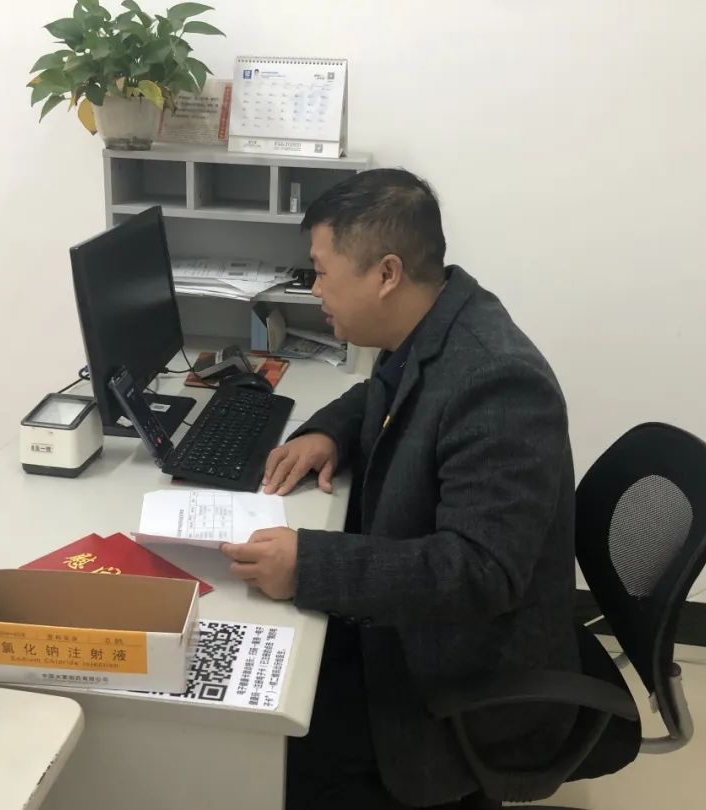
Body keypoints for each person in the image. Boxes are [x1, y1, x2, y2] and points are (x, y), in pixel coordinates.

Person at [220, 169, 578, 809]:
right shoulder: (429, 323)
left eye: (321, 272)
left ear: (386, 274)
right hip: (407, 627)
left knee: (260, 750)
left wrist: (310, 565)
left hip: (453, 675)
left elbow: (481, 571)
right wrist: (328, 432)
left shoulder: (498, 381)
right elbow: (380, 395)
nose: (314, 290)